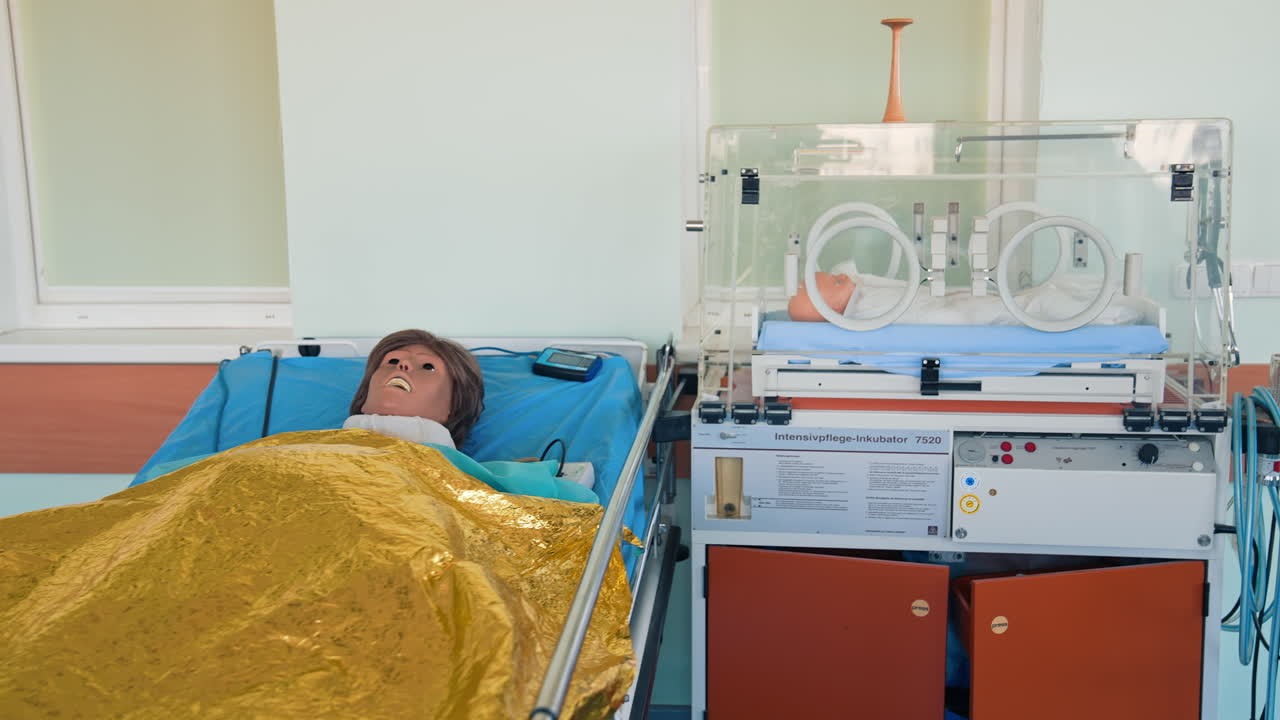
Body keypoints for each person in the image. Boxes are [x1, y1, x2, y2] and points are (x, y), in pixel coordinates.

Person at [787, 268, 1146, 327]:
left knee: (1029, 299)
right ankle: (1111, 314)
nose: (847, 276)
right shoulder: (865, 311)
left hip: (956, 303)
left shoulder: (863, 297)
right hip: (961, 315)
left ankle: (1108, 300)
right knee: (1032, 306)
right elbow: (930, 317)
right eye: (836, 280)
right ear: (833, 308)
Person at [343, 329, 485, 449]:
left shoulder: (434, 439)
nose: (403, 364)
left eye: (427, 366)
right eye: (393, 361)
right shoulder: (338, 436)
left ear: (454, 406)